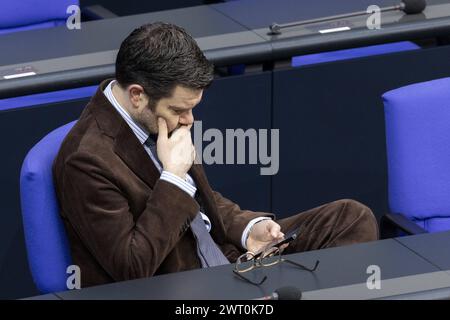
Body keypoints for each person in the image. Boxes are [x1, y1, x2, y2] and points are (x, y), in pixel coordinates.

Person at [53, 22, 378, 288]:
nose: (189, 121)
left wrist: (248, 229)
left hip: (224, 259)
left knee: (351, 218)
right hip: (182, 286)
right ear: (137, 95)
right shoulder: (85, 161)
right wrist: (173, 178)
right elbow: (132, 268)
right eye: (180, 110)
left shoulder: (156, 116)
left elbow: (203, 203)